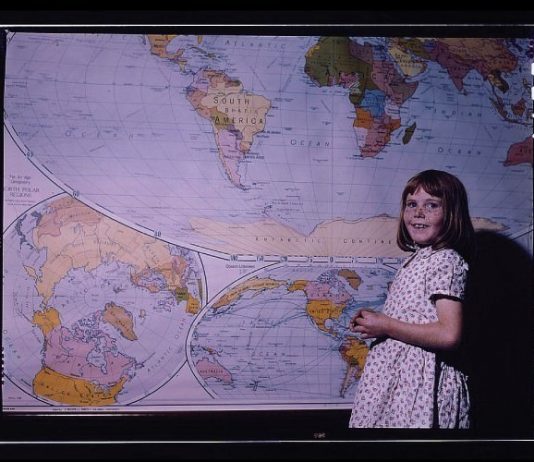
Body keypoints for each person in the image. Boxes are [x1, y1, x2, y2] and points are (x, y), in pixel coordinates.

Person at [349, 169, 475, 428]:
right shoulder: (416, 259)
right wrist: (376, 321)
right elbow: (414, 315)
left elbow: (449, 334)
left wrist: (386, 326)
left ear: (452, 214)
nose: (418, 213)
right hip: (400, 381)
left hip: (421, 386)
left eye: (432, 205)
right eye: (411, 204)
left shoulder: (446, 260)